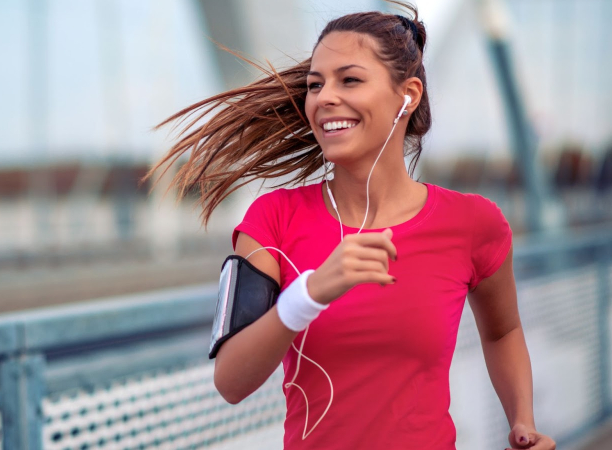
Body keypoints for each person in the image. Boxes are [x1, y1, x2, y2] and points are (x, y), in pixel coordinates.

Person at [144, 2, 556, 449]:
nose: (324, 98)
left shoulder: (474, 224)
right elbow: (231, 382)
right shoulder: (272, 220)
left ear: (408, 95)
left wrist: (523, 419)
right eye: (315, 85)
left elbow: (502, 331)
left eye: (350, 80)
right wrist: (309, 293)